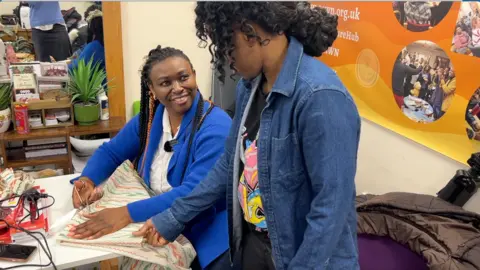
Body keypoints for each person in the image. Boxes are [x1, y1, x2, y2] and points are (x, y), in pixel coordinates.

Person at [134, 2, 361, 270]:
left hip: (304, 258)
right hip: (254, 245)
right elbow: (228, 165)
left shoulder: (319, 97)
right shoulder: (249, 88)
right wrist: (173, 217)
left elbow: (331, 209)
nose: (224, 58)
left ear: (250, 33)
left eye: (225, 45)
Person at [69, 45, 232, 270]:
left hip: (203, 230)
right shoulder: (149, 119)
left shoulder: (216, 126)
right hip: (155, 218)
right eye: (165, 83)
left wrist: (126, 213)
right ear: (152, 88)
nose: (178, 88)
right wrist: (87, 180)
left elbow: (194, 193)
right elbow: (112, 151)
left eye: (184, 77)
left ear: (194, 75)